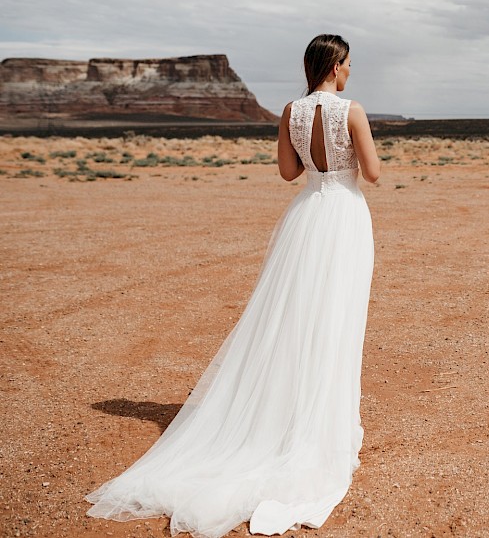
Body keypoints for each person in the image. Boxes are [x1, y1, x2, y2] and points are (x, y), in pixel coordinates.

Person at [86, 34, 381, 537]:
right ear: (335, 66)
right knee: (335, 317)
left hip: (306, 217)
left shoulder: (290, 110)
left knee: (293, 318)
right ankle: (316, 426)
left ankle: (286, 416)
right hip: (345, 219)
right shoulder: (351, 110)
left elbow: (288, 173)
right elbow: (372, 173)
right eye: (348, 64)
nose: (351, 72)